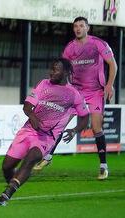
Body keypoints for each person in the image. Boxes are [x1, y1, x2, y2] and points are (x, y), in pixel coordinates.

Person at [0, 58, 89, 206]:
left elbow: (85, 117)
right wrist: (32, 115)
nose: (51, 72)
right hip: (28, 130)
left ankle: (7, 194)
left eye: (55, 69)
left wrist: (75, 130)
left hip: (47, 137)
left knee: (31, 159)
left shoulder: (73, 94)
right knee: (7, 166)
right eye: (51, 69)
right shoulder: (43, 84)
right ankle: (14, 184)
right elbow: (27, 106)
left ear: (65, 72)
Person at [33, 17, 117, 180]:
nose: (78, 28)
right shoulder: (70, 48)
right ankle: (48, 156)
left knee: (96, 127)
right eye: (75, 26)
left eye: (81, 26)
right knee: (59, 123)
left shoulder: (98, 43)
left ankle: (103, 166)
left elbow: (112, 64)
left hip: (95, 92)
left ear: (87, 28)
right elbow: (63, 70)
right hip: (76, 93)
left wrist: (109, 85)